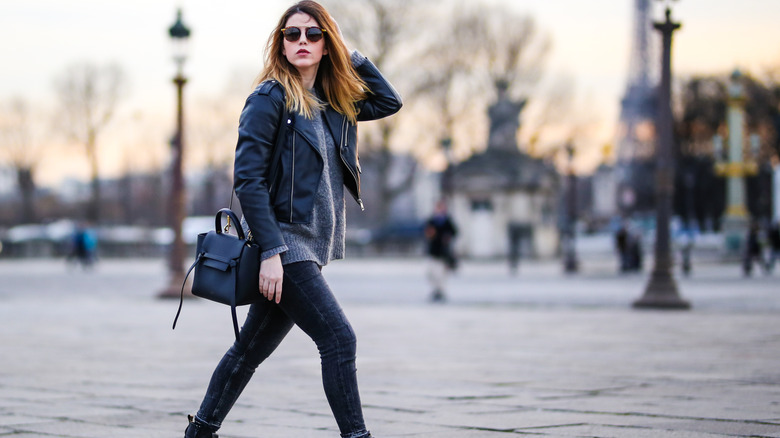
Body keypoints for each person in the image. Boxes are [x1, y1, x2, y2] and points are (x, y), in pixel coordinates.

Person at [183, 2, 402, 437]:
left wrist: (352, 53)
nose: (302, 41)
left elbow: (389, 101)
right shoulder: (270, 98)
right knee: (339, 340)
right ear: (280, 44)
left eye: (314, 34)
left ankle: (200, 432)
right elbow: (248, 181)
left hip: (308, 247)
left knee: (248, 351)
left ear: (327, 44)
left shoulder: (334, 101)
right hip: (287, 244)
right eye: (292, 34)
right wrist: (273, 251)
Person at [424, 200, 458, 302]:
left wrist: (448, 237)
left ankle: (441, 291)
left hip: (444, 252)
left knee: (441, 274)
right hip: (433, 251)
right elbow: (426, 232)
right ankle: (436, 289)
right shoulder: (432, 220)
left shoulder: (447, 221)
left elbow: (455, 232)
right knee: (430, 273)